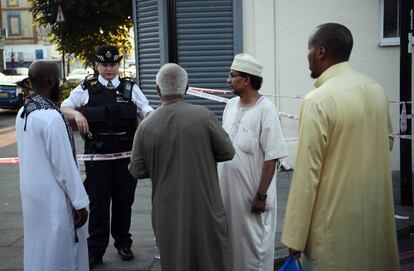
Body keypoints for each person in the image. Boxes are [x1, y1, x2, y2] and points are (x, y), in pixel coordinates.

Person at [281, 23, 399, 270]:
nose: (308, 55)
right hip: (373, 217)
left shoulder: (317, 100)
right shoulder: (376, 89)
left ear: (321, 52)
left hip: (333, 224)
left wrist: (294, 237)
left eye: (309, 48)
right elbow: (387, 141)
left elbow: (306, 176)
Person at [128, 63, 235, 271]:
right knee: (210, 261)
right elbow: (228, 152)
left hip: (167, 210)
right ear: (187, 88)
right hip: (205, 207)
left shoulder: (146, 126)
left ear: (157, 89)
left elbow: (137, 170)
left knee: (175, 261)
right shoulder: (204, 116)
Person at [61, 45, 154, 268]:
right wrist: (75, 113)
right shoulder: (87, 87)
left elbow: (147, 111)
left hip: (125, 156)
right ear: (97, 65)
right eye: (104, 64)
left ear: (118, 65)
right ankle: (96, 249)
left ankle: (123, 243)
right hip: (97, 156)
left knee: (124, 201)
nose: (109, 69)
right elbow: (64, 106)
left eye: (113, 64)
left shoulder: (131, 88)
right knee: (98, 203)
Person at [16, 60, 90, 270]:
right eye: (57, 78)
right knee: (62, 252)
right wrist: (79, 203)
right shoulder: (51, 118)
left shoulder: (24, 112)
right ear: (50, 81)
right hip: (54, 199)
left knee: (39, 248)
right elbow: (64, 167)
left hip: (32, 197)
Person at [217, 53, 288, 271]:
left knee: (253, 254)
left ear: (246, 79)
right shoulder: (230, 105)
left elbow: (272, 156)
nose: (228, 80)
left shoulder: (266, 110)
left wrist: (261, 195)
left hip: (253, 200)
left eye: (232, 76)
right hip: (228, 198)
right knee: (230, 253)